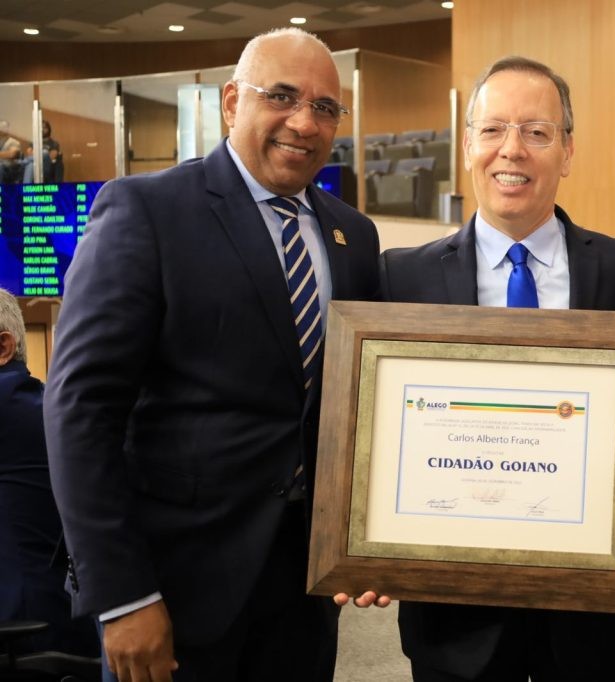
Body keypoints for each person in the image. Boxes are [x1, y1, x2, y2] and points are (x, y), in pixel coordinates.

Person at [43, 27, 381, 682]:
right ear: (231, 103)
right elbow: (80, 410)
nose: (303, 122)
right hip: (174, 591)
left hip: (304, 596)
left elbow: (360, 405)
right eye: (281, 96)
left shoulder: (354, 236)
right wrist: (122, 595)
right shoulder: (148, 211)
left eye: (324, 107)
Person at [360, 56, 615, 682]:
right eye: (492, 129)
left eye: (537, 132)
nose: (512, 149)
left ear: (567, 151)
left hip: (595, 619)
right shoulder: (403, 276)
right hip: (455, 622)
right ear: (467, 145)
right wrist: (368, 536)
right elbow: (379, 430)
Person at [0, 288, 100, 658]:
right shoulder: (36, 402)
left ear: (3, 348)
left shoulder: (6, 401)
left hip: (21, 637)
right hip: (59, 624)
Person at [22, 119, 63, 183]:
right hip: (35, 167)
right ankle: (26, 188)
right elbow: (29, 153)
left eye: (44, 128)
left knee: (45, 152)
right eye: (40, 128)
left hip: (46, 167)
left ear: (49, 129)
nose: (42, 130)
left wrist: (40, 154)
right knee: (30, 165)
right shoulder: (34, 142)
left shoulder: (54, 143)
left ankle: (24, 162)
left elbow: (52, 156)